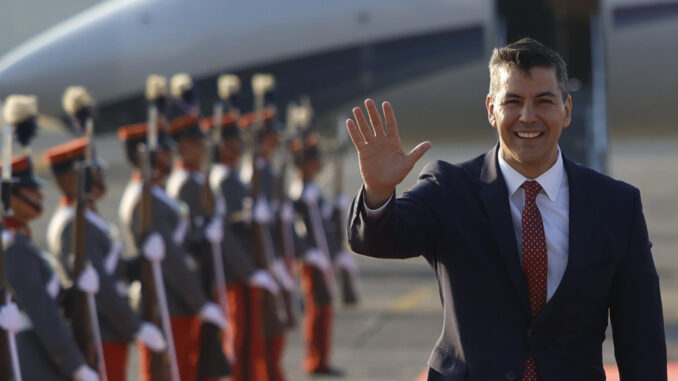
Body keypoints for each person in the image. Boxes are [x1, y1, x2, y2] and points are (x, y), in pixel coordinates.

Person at [345, 38, 666, 381]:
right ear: (491, 110)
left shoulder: (616, 205)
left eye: (544, 101)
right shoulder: (450, 189)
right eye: (512, 101)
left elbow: (641, 338)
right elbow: (379, 239)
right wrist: (377, 192)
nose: (528, 116)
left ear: (567, 110)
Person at [44, 136, 167, 381]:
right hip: (100, 331)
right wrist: (134, 325)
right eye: (93, 172)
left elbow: (113, 270)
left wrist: (141, 262)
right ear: (70, 179)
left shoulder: (88, 217)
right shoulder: (72, 225)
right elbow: (100, 284)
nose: (100, 177)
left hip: (110, 329)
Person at [117, 121, 227, 381]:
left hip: (175, 299)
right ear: (143, 157)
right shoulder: (147, 197)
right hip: (166, 301)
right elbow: (172, 260)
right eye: (163, 152)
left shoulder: (157, 192)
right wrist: (198, 301)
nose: (170, 156)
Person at [0, 95, 99, 381]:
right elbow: (42, 312)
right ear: (10, 197)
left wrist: (73, 289)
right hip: (29, 361)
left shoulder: (20, 242)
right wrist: (76, 366)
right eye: (30, 190)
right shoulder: (12, 248)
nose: (40, 196)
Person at [203, 112, 280, 381]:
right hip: (234, 272)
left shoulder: (231, 176)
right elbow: (229, 232)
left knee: (248, 338)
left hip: (241, 270)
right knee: (238, 338)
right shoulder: (224, 179)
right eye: (233, 138)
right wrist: (249, 271)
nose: (240, 143)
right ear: (221, 144)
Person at [289, 131, 342, 376]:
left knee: (325, 308)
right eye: (316, 158)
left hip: (324, 258)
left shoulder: (313, 189)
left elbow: (325, 224)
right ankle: (313, 360)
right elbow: (294, 228)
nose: (320, 162)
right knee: (316, 309)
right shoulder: (299, 190)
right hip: (312, 260)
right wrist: (308, 253)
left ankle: (323, 358)